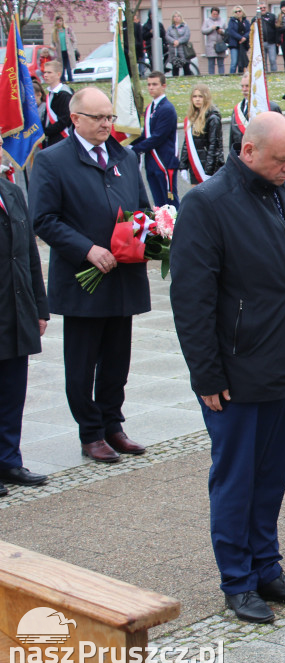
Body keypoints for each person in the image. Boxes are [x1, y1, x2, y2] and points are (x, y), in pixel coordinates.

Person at [170, 112, 285, 625]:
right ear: (248, 150)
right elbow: (191, 300)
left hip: (283, 363)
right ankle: (237, 581)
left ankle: (267, 567)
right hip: (234, 372)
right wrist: (207, 375)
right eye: (280, 159)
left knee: (271, 476)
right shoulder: (207, 204)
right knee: (236, 480)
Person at [31, 87, 151, 465]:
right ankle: (90, 432)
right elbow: (44, 219)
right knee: (82, 364)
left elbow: (142, 207)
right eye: (99, 118)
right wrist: (87, 248)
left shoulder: (125, 156)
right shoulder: (53, 161)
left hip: (123, 277)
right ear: (76, 119)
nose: (106, 124)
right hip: (85, 278)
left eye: (110, 117)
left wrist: (151, 232)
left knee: (118, 359)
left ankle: (112, 423)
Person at [0, 134, 50, 497]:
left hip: (16, 307)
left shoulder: (12, 191)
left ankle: (9, 460)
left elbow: (29, 255)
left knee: (13, 389)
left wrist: (39, 306)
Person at [132, 72, 180, 208]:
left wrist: (135, 149)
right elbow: (146, 134)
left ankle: (177, 228)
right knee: (158, 203)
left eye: (154, 84)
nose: (151, 88)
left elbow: (158, 137)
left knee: (170, 203)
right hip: (151, 162)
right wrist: (128, 145)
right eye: (148, 85)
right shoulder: (150, 108)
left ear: (163, 86)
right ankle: (162, 228)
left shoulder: (167, 109)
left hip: (164, 161)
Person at [180, 84, 224, 185]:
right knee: (195, 198)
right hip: (195, 166)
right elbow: (187, 143)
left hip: (209, 169)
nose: (197, 99)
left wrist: (209, 171)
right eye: (195, 96)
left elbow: (214, 146)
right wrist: (183, 166)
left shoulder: (213, 118)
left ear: (206, 98)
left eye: (200, 96)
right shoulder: (191, 118)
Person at [229, 71, 283, 152]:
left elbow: (280, 135)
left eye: (247, 86)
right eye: (242, 86)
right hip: (243, 155)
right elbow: (233, 138)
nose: (244, 89)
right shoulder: (238, 109)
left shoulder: (271, 108)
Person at [41, 60, 72, 149]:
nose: (45, 75)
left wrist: (46, 131)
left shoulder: (64, 94)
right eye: (44, 72)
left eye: (49, 72)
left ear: (58, 74)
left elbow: (65, 120)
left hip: (61, 138)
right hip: (51, 138)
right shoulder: (50, 94)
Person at [50, 15, 76, 83]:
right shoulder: (55, 32)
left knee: (68, 66)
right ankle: (62, 80)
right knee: (61, 67)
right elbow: (52, 42)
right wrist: (53, 47)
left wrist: (73, 48)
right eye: (58, 21)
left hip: (68, 51)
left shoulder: (67, 30)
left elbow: (74, 39)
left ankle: (70, 79)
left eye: (60, 21)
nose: (59, 23)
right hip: (60, 52)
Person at [202, 8, 227, 75]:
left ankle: (221, 75)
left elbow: (226, 32)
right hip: (211, 45)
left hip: (220, 44)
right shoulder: (207, 21)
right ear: (211, 14)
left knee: (221, 63)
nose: (215, 15)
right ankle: (211, 76)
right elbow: (203, 31)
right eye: (214, 14)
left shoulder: (222, 21)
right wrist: (211, 28)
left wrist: (221, 31)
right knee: (211, 63)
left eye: (216, 14)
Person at [167, 13, 193, 77]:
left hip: (183, 50)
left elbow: (186, 36)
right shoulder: (170, 28)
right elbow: (167, 36)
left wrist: (179, 41)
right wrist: (173, 41)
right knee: (175, 67)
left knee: (186, 67)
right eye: (175, 16)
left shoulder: (185, 26)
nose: (176, 18)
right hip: (174, 50)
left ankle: (188, 79)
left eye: (178, 16)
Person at [226, 6, 250, 74]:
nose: (238, 13)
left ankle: (241, 75)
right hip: (234, 44)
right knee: (234, 62)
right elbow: (231, 31)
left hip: (243, 45)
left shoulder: (246, 21)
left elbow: (249, 31)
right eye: (236, 12)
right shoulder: (232, 21)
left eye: (239, 11)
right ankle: (232, 75)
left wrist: (244, 38)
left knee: (242, 62)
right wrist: (240, 38)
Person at [257, 3, 279, 72]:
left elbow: (276, 29)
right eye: (261, 8)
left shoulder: (272, 17)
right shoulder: (256, 18)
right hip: (261, 42)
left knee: (273, 60)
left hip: (271, 42)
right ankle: (264, 75)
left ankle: (274, 73)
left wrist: (277, 41)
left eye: (264, 7)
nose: (263, 9)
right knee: (263, 61)